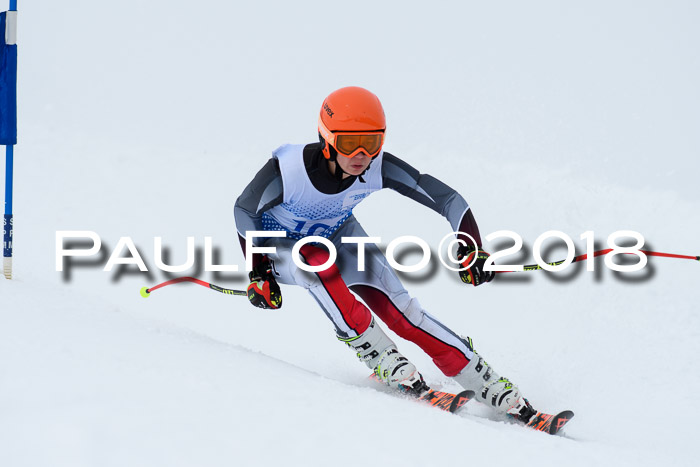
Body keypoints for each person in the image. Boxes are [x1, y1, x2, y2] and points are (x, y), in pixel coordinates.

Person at [234, 86, 535, 421]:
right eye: (349, 143)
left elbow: (449, 200)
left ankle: (485, 381)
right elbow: (244, 210)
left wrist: (472, 247)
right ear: (326, 138)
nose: (362, 154)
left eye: (373, 142)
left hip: (337, 237)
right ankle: (380, 354)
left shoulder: (376, 167)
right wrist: (257, 272)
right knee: (316, 262)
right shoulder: (289, 170)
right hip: (278, 249)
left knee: (403, 311)